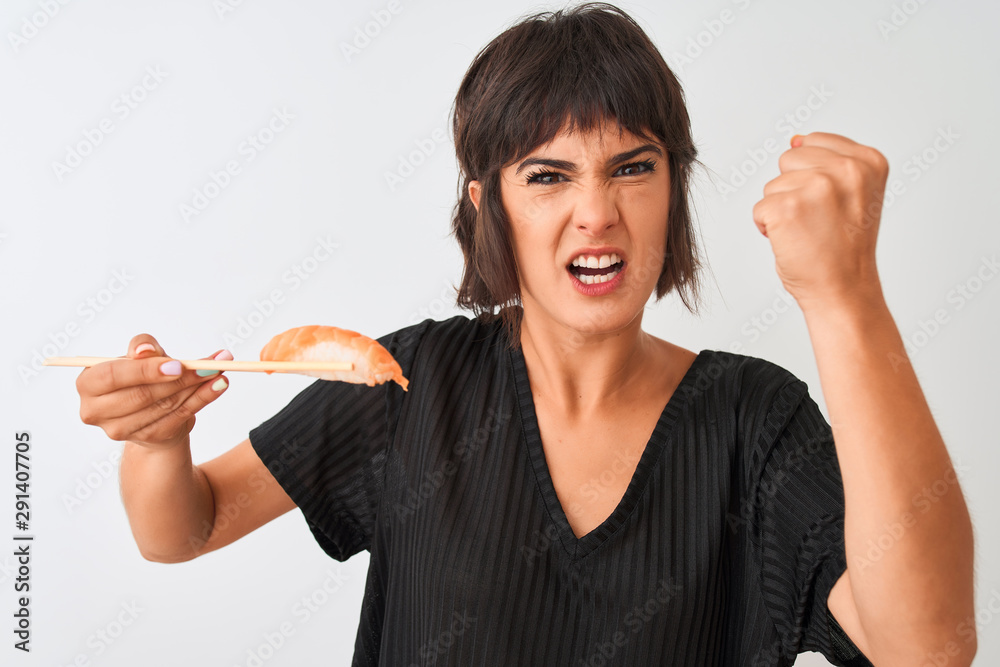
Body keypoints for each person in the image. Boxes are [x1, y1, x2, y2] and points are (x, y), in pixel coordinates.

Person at [74, 3, 976, 666]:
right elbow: (181, 528)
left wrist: (846, 299)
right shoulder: (410, 384)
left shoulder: (755, 418)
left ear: (674, 185)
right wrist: (157, 437)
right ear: (488, 206)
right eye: (547, 175)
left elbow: (928, 648)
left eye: (633, 167)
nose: (597, 212)